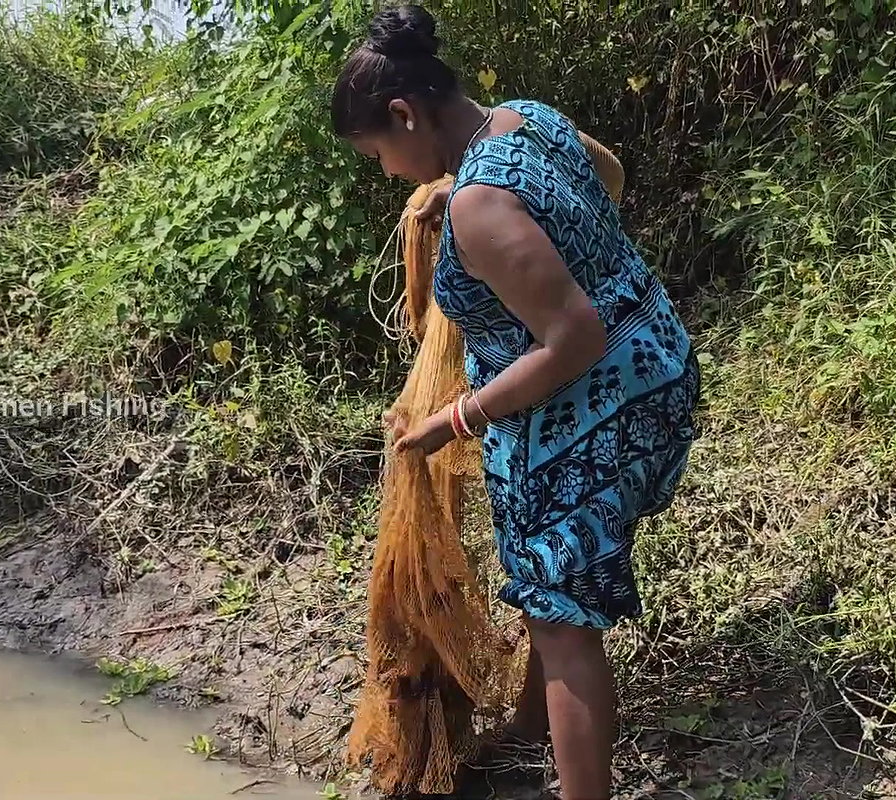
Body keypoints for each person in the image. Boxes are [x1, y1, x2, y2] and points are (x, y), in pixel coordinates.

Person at [331, 6, 700, 799]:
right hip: (656, 360)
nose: (391, 175)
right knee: (546, 579)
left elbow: (573, 340)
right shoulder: (523, 120)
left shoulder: (480, 204)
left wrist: (452, 419)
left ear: (405, 114)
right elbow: (607, 180)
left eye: (380, 153)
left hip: (601, 399)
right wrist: (454, 190)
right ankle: (533, 728)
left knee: (565, 621)